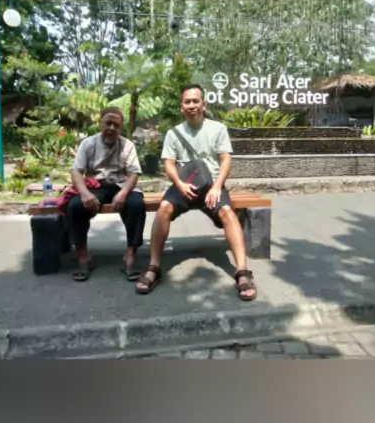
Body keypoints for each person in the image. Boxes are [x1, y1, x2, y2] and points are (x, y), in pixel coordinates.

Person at [135, 85, 257, 300]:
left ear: (203, 104)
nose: (191, 105)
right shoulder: (173, 133)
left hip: (211, 185)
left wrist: (217, 186)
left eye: (195, 101)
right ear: (181, 106)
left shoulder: (218, 129)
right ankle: (154, 267)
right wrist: (180, 185)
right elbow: (169, 164)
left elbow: (226, 159)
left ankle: (242, 271)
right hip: (184, 185)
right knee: (164, 208)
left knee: (228, 212)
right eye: (187, 102)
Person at [67, 107, 146, 282]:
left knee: (137, 205)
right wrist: (85, 194)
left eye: (116, 125)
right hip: (95, 185)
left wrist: (123, 193)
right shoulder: (88, 143)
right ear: (100, 123)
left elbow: (134, 173)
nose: (111, 128)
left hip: (120, 185)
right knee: (75, 206)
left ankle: (130, 254)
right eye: (108, 123)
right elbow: (76, 171)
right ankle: (84, 256)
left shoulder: (127, 145)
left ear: (121, 128)